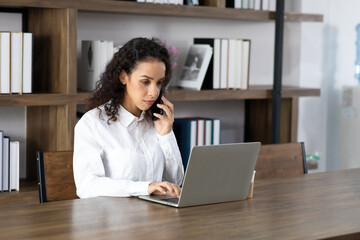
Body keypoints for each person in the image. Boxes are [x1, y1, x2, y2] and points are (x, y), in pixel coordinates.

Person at [73, 37, 184, 199]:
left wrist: (166, 135)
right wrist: (145, 187)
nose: (154, 92)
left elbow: (175, 182)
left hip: (157, 218)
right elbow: (86, 186)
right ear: (123, 77)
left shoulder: (158, 122)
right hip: (113, 220)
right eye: (145, 82)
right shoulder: (92, 124)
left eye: (159, 83)